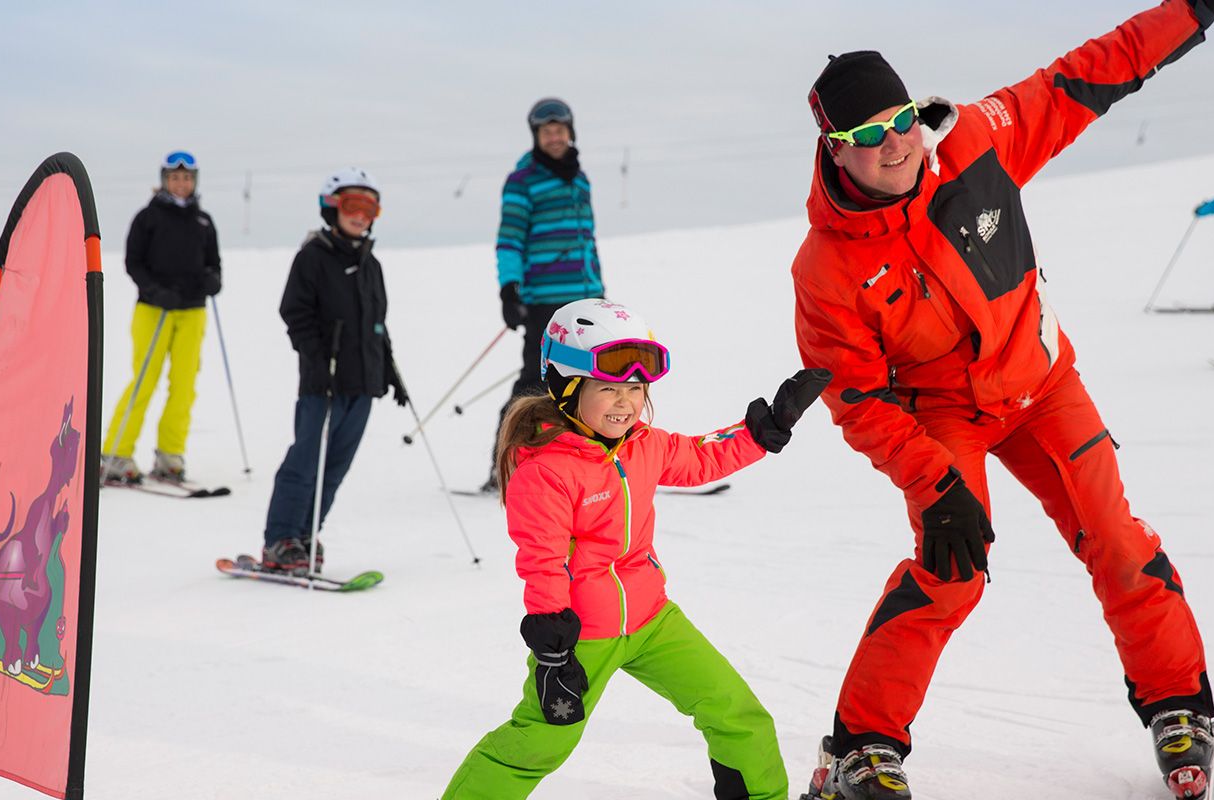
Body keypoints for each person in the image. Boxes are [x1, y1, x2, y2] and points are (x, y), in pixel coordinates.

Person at [788, 2, 1214, 798]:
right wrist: (934, 480)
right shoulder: (825, 267)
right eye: (866, 135)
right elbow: (856, 398)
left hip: (1043, 383)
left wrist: (1189, 12)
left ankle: (1181, 709)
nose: (894, 143)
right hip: (941, 413)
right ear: (834, 150)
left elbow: (1084, 74)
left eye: (902, 119)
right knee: (949, 569)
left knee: (1116, 540)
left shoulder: (975, 143)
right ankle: (858, 750)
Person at [442, 298, 831, 799]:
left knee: (737, 712)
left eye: (635, 387)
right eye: (607, 388)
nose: (625, 401)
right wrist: (554, 653)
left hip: (652, 618)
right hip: (582, 635)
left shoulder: (642, 444)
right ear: (564, 384)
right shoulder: (546, 470)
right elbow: (542, 562)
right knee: (543, 740)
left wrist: (760, 431)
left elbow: (700, 457)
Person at [259, 168, 409, 575]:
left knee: (336, 465)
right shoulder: (313, 257)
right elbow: (295, 312)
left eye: (370, 207)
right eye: (352, 206)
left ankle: (307, 533)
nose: (361, 215)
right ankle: (281, 539)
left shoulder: (370, 264)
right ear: (332, 207)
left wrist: (390, 371)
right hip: (322, 384)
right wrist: (314, 357)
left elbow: (376, 322)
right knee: (306, 461)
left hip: (363, 384)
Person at [481, 97, 606, 493]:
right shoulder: (523, 181)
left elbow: (588, 242)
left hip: (585, 297)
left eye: (560, 129)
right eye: (546, 131)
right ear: (536, 136)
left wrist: (600, 293)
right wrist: (509, 288)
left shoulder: (579, 178)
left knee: (594, 380)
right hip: (544, 301)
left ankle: (593, 462)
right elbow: (509, 240)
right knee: (535, 384)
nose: (554, 137)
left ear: (571, 132)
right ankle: (504, 465)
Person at [101, 151, 222, 485]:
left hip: (192, 312)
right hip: (154, 310)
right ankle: (115, 453)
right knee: (144, 379)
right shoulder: (148, 218)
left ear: (194, 181)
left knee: (184, 386)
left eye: (186, 178)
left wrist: (213, 280)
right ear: (164, 180)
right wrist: (155, 290)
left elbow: (214, 263)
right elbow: (133, 262)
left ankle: (171, 455)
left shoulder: (204, 221)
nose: (180, 184)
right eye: (174, 178)